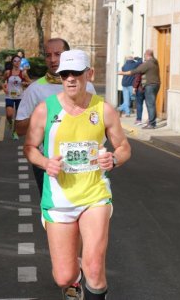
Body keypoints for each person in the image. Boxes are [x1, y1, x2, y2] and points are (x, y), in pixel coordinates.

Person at [24, 50, 131, 300]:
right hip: (59, 199)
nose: (70, 79)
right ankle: (76, 279)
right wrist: (45, 163)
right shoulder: (45, 110)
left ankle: (92, 284)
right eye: (65, 74)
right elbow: (29, 148)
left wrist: (113, 158)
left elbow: (125, 148)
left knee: (95, 266)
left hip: (95, 195)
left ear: (89, 74)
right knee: (63, 276)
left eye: (76, 73)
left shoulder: (103, 109)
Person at [15, 38, 96, 197]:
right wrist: (43, 116)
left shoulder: (88, 87)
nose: (53, 60)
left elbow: (96, 122)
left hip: (83, 163)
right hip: (49, 163)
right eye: (48, 55)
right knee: (55, 215)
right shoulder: (35, 89)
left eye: (58, 54)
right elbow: (19, 129)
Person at [119, 49, 160, 129]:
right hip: (156, 84)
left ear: (147, 55)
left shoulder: (148, 63)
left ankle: (151, 124)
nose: (144, 56)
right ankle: (151, 121)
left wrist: (122, 73)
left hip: (150, 85)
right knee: (151, 104)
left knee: (150, 104)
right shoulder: (155, 61)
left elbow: (136, 71)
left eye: (145, 55)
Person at [2, 55, 31, 140]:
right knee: (9, 114)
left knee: (17, 117)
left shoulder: (23, 73)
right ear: (12, 62)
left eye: (19, 61)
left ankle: (15, 132)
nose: (17, 62)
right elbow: (2, 80)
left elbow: (30, 82)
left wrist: (25, 84)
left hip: (20, 97)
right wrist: (4, 88)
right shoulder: (8, 72)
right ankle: (10, 122)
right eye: (15, 61)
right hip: (9, 96)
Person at [131, 57, 146, 126]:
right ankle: (151, 120)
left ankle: (139, 120)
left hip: (140, 88)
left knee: (139, 104)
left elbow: (137, 78)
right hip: (148, 88)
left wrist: (134, 87)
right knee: (150, 105)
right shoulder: (151, 67)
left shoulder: (140, 67)